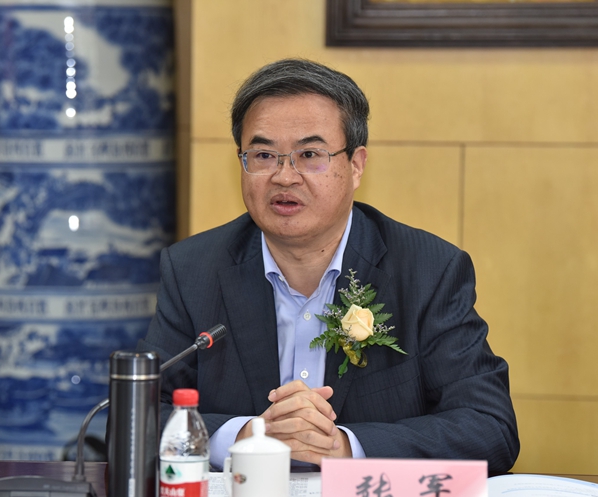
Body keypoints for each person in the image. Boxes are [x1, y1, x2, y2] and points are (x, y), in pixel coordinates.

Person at [138, 58, 519, 473]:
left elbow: (489, 427)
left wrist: (345, 448)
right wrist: (247, 436)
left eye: (310, 155)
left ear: (355, 166)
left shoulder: (428, 271)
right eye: (263, 155)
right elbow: (136, 418)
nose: (285, 177)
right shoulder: (194, 270)